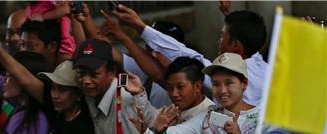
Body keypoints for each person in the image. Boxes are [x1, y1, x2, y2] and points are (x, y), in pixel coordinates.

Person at [113, 5, 268, 107]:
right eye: (217, 84)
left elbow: (185, 54)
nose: (222, 90)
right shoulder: (267, 69)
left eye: (223, 36)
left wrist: (139, 27)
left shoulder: (226, 72)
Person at [141, 53, 257, 134]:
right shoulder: (209, 115)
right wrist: (160, 131)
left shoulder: (263, 117)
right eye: (216, 84)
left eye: (229, 83)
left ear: (244, 84)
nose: (222, 90)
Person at [72, 37, 143, 134]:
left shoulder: (124, 101)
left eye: (94, 74)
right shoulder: (91, 96)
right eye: (81, 74)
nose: (86, 81)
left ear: (112, 72)